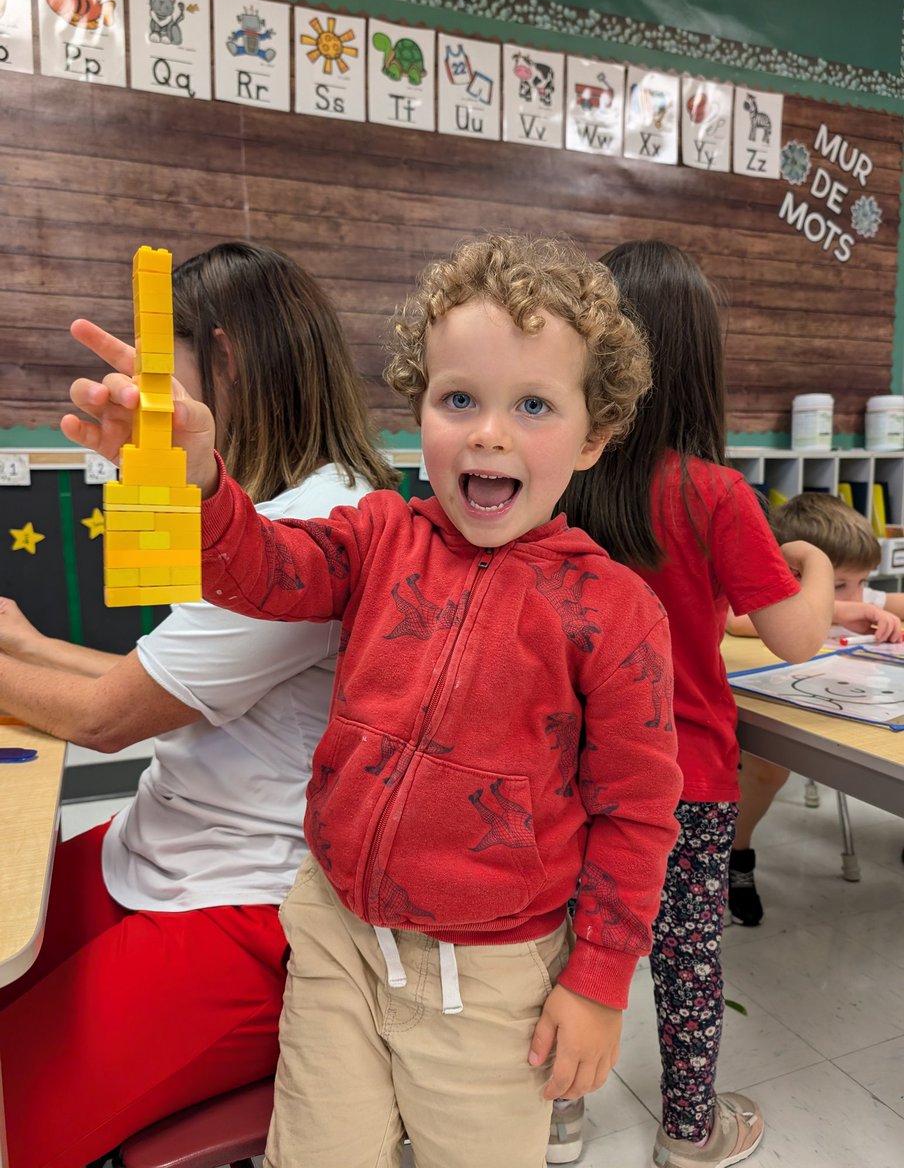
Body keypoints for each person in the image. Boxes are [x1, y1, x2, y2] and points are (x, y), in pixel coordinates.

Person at [62, 232, 685, 1168]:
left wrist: (597, 982)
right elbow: (266, 571)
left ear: (594, 435)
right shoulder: (378, 534)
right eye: (458, 399)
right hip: (336, 934)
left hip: (491, 975)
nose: (488, 432)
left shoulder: (615, 613)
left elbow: (638, 814)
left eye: (533, 405)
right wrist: (199, 483)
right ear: (420, 409)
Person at [0, 240, 399, 1168]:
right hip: (171, 844)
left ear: (227, 361)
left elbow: (107, 717)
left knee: (14, 1116)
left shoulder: (316, 529)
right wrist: (18, 643)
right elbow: (156, 678)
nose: (144, 399)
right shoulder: (257, 505)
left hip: (248, 906)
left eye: (159, 370)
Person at [556, 240, 834, 1168]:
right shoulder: (716, 493)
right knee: (685, 959)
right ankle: (688, 1130)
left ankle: (555, 1122)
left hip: (569, 772)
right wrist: (822, 562)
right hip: (690, 778)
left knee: (561, 946)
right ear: (699, 360)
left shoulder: (556, 485)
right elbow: (800, 639)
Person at [726, 490, 904, 927]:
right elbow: (737, 618)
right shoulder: (779, 588)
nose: (857, 593)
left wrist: (883, 612)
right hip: (791, 705)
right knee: (768, 770)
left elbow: (887, 603)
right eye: (840, 583)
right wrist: (841, 608)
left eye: (862, 582)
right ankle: (738, 855)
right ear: (794, 570)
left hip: (857, 706)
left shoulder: (859, 593)